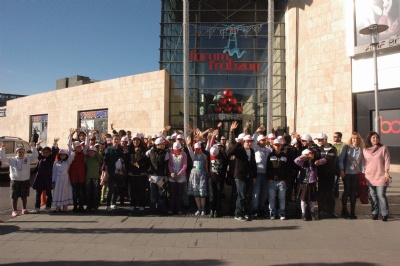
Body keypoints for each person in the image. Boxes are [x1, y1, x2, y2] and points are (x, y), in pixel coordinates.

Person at [0, 142, 38, 217]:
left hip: (25, 180)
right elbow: (2, 158)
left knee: (24, 196)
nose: (21, 153)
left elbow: (35, 155)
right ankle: (14, 210)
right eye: (19, 152)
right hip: (15, 180)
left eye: (22, 152)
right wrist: (2, 149)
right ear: (16, 153)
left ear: (24, 152)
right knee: (14, 196)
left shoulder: (27, 159)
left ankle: (24, 209)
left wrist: (33, 147)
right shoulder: (12, 159)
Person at [227, 134, 257, 221]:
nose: (249, 143)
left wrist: (254, 176)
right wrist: (238, 144)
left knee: (247, 195)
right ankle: (238, 213)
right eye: (247, 141)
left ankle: (246, 212)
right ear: (244, 142)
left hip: (249, 176)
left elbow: (253, 164)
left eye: (250, 141)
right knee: (241, 195)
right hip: (240, 176)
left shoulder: (252, 151)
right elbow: (229, 152)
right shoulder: (239, 150)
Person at [363, 131, 391, 221]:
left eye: (377, 137)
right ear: (370, 139)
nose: (375, 139)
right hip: (370, 176)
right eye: (373, 138)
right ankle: (374, 212)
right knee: (373, 195)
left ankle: (385, 213)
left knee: (381, 195)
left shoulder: (383, 148)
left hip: (381, 175)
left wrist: (386, 172)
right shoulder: (365, 149)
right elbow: (363, 162)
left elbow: (387, 160)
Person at [338, 132, 365, 219]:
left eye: (357, 138)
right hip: (347, 172)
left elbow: (362, 162)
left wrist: (362, 172)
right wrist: (341, 169)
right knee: (347, 190)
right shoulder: (346, 147)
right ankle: (344, 209)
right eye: (354, 138)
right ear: (351, 139)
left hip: (356, 173)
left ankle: (352, 212)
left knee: (353, 192)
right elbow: (341, 159)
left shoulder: (361, 149)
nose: (355, 140)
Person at [31, 139, 59, 213]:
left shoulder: (51, 158)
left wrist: (55, 143)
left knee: (48, 193)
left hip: (48, 178)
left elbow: (55, 151)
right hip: (40, 178)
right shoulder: (41, 158)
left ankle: (48, 206)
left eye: (47, 152)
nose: (45, 154)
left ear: (50, 153)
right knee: (38, 193)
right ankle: (37, 207)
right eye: (44, 152)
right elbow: (36, 152)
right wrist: (37, 145)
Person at [314, 133, 337, 219]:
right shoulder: (318, 150)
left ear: (325, 140)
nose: (319, 142)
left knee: (330, 193)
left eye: (320, 140)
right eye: (318, 140)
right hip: (321, 174)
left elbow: (334, 160)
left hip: (331, 174)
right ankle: (321, 211)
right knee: (321, 193)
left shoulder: (333, 149)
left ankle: (330, 212)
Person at [295, 148, 322, 221]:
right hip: (305, 183)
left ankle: (312, 212)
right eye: (310, 153)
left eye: (312, 153)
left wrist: (319, 161)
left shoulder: (314, 163)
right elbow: (296, 161)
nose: (312, 155)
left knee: (312, 200)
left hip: (312, 183)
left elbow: (324, 160)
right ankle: (303, 213)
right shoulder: (303, 163)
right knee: (303, 199)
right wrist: (303, 156)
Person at [266, 138, 288, 220]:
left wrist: (285, 179)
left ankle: (281, 212)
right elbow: (268, 168)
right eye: (276, 145)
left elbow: (287, 168)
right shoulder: (270, 155)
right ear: (273, 145)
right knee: (272, 198)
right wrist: (269, 178)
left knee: (282, 198)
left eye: (279, 145)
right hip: (272, 181)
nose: (277, 147)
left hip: (282, 181)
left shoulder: (284, 156)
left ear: (281, 146)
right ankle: (272, 212)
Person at [146, 137, 169, 214]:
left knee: (161, 193)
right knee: (153, 193)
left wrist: (166, 175)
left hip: (161, 176)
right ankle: (152, 209)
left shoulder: (166, 153)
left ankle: (161, 209)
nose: (163, 146)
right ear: (157, 145)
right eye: (162, 144)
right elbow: (145, 159)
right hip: (152, 176)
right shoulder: (150, 152)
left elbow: (166, 165)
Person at [187, 141, 209, 216]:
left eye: (198, 149)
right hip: (194, 174)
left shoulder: (204, 156)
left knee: (202, 191)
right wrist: (189, 144)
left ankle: (203, 208)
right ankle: (198, 208)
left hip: (202, 174)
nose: (197, 150)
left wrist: (209, 140)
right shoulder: (193, 156)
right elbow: (190, 151)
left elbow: (207, 148)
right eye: (196, 149)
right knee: (196, 191)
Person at [104, 135, 124, 211]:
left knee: (116, 188)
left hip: (118, 172)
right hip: (111, 171)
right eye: (115, 139)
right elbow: (105, 162)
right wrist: (106, 172)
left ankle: (113, 203)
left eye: (117, 139)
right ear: (112, 140)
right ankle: (108, 204)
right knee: (111, 188)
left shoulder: (120, 149)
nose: (116, 141)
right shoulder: (108, 150)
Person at [208, 143, 227, 218]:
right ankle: (211, 210)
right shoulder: (210, 153)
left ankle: (217, 210)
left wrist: (221, 151)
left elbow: (226, 164)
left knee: (218, 195)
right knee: (212, 195)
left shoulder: (223, 156)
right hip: (211, 178)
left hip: (220, 178)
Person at [168, 141, 187, 214]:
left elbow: (185, 165)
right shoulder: (170, 154)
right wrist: (171, 173)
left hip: (181, 175)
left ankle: (179, 209)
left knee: (180, 193)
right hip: (172, 174)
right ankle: (171, 208)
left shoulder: (184, 154)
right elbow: (169, 164)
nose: (176, 152)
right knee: (172, 193)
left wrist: (179, 174)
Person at [85, 146, 102, 211]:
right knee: (88, 192)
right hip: (88, 177)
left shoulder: (97, 158)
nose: (91, 153)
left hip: (96, 177)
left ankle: (95, 205)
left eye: (93, 152)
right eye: (90, 152)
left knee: (96, 192)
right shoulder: (87, 158)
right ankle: (89, 205)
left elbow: (100, 156)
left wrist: (97, 152)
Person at [333, 132, 344, 198]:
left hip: (342, 165)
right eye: (333, 137)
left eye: (335, 137)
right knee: (336, 180)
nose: (334, 138)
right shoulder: (333, 146)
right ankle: (335, 193)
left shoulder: (344, 145)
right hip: (335, 165)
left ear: (339, 138)